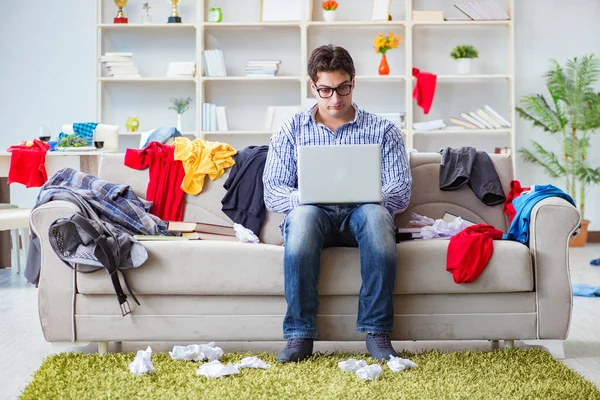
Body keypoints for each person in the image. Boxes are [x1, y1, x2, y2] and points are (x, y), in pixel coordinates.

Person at [262, 44, 412, 363]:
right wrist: (306, 197)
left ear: (353, 81)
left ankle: (377, 332)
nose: (335, 99)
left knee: (376, 217)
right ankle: (299, 335)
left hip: (363, 215)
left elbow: (400, 189)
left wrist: (372, 192)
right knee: (302, 219)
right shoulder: (291, 129)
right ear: (312, 85)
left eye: (342, 88)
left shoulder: (383, 130)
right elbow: (273, 189)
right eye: (326, 90)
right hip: (313, 217)